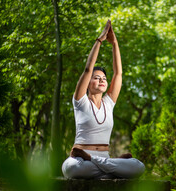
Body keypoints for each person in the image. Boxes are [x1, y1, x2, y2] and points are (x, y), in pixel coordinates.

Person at [62, 20, 145, 179]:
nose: (101, 80)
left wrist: (115, 43)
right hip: (80, 160)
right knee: (71, 168)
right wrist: (100, 40)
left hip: (96, 160)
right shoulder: (80, 102)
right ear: (87, 83)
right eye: (96, 78)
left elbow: (118, 74)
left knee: (138, 167)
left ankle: (99, 162)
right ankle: (112, 168)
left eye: (104, 78)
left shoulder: (108, 103)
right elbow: (87, 69)